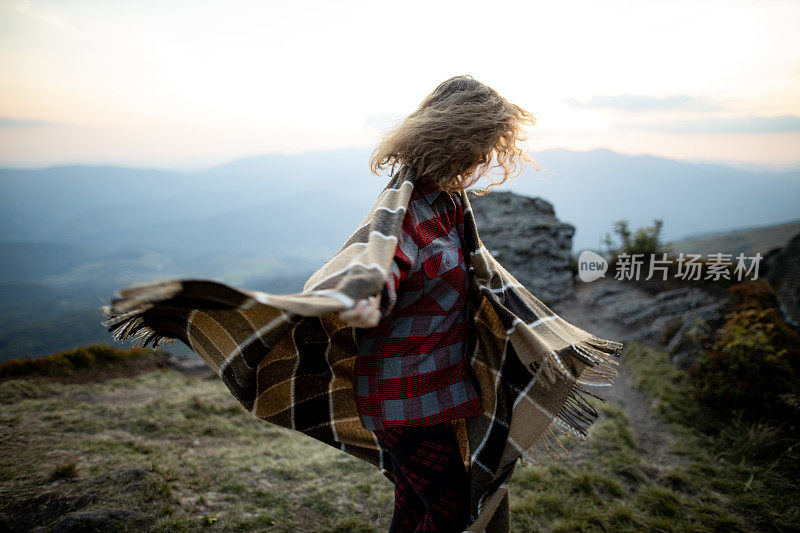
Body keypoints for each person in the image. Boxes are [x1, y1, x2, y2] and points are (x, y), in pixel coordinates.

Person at [338, 74, 537, 533]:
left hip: (432, 388)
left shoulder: (447, 200)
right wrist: (369, 300)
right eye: (483, 142)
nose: (486, 156)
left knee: (412, 508)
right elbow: (384, 261)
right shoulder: (406, 208)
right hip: (403, 396)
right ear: (457, 137)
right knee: (452, 517)